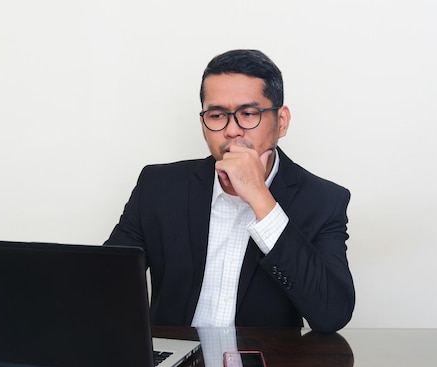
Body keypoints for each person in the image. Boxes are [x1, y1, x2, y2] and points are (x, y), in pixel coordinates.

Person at [106, 49, 354, 332]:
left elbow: (333, 314)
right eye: (217, 115)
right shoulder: (158, 187)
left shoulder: (323, 201)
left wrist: (261, 199)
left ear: (281, 122)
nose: (232, 130)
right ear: (203, 124)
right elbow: (106, 286)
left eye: (248, 114)